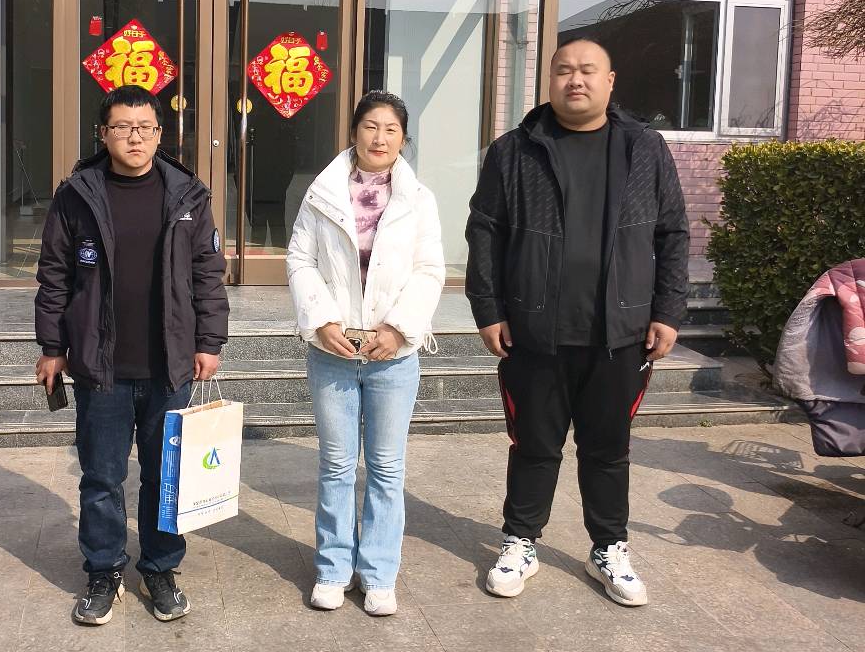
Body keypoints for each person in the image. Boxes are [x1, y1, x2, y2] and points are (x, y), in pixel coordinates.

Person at [465, 39, 689, 607]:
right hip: (534, 331)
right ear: (550, 80)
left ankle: (608, 548)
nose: (575, 80)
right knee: (533, 445)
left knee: (608, 449)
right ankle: (520, 541)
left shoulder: (643, 147)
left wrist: (667, 310)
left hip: (621, 333)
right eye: (564, 70)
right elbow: (484, 231)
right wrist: (488, 309)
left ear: (610, 81)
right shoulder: (514, 150)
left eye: (588, 71)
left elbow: (672, 232)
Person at [35, 84, 228, 626]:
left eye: (144, 127)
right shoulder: (77, 194)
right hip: (101, 366)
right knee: (101, 477)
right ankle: (103, 570)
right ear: (104, 133)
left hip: (170, 363)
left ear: (160, 133)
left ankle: (160, 568)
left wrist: (209, 341)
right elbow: (54, 276)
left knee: (166, 476)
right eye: (122, 127)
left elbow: (208, 275)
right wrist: (52, 347)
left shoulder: (187, 194)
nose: (134, 137)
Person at [287, 91, 445, 617]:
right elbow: (300, 259)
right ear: (354, 132)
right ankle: (333, 569)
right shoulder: (322, 192)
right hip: (333, 350)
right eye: (371, 126)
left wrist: (399, 330)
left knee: (385, 467)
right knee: (336, 465)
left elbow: (429, 270)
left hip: (392, 356)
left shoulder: (418, 199)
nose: (380, 138)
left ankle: (378, 573)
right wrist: (322, 321)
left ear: (403, 139)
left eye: (391, 129)